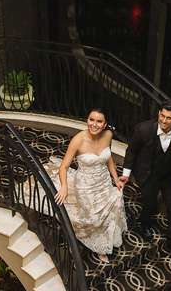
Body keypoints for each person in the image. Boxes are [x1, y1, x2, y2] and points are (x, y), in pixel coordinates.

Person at [49, 108, 127, 260]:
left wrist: (116, 178)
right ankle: (91, 242)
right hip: (85, 185)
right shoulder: (78, 140)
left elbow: (109, 157)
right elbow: (64, 166)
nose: (94, 124)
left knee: (112, 205)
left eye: (99, 121)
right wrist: (64, 187)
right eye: (91, 120)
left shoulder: (108, 135)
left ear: (105, 124)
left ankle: (104, 243)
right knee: (93, 217)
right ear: (87, 120)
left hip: (103, 182)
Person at [118, 101, 171, 240]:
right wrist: (126, 174)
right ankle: (144, 226)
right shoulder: (143, 129)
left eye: (168, 118)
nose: (163, 120)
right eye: (162, 116)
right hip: (148, 173)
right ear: (159, 113)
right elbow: (131, 152)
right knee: (150, 203)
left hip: (169, 175)